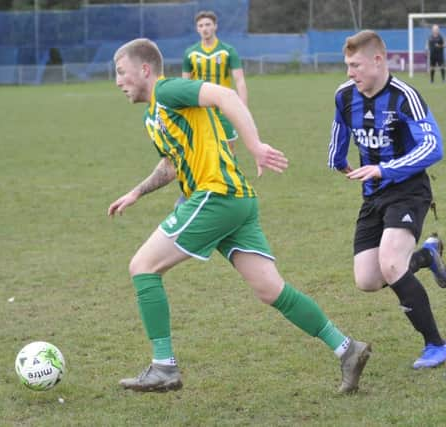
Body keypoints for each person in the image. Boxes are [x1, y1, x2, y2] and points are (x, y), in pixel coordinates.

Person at [108, 38, 371, 394]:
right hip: (235, 201)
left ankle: (164, 366)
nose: (118, 81)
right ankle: (347, 348)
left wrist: (255, 145)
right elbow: (171, 165)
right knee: (270, 289)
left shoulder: (168, 90)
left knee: (142, 267)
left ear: (144, 70)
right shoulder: (153, 114)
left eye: (121, 72)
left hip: (216, 195)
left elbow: (225, 96)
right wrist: (137, 191)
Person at [328, 30, 446, 369]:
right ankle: (426, 256)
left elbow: (433, 147)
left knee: (392, 264)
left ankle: (436, 345)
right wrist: (338, 161)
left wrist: (385, 169)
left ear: (378, 60)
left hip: (408, 190)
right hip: (372, 195)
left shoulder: (404, 96)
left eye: (355, 65)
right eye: (347, 65)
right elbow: (340, 128)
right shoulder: (344, 95)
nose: (350, 72)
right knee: (368, 280)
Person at [176, 10, 248, 206]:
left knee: (229, 150)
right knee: (199, 150)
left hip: (224, 110)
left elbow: (239, 80)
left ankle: (232, 189)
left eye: (208, 25)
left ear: (215, 26)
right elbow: (184, 84)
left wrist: (242, 108)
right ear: (197, 29)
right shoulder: (190, 53)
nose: (205, 29)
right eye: (201, 26)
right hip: (200, 110)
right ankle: (197, 190)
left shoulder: (227, 51)